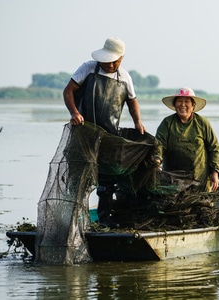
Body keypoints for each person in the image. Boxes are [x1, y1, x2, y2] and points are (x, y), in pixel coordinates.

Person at [62, 37, 146, 227]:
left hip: (109, 137)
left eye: (114, 61)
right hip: (83, 133)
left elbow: (133, 102)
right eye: (107, 61)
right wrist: (74, 113)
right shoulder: (88, 68)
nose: (110, 65)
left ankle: (104, 219)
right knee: (77, 179)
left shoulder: (124, 78)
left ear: (122, 58)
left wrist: (138, 123)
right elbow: (68, 91)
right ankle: (73, 220)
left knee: (107, 181)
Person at [155, 87, 219, 192]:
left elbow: (214, 148)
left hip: (199, 178)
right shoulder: (167, 123)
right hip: (173, 178)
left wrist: (214, 172)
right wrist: (157, 162)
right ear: (174, 105)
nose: (183, 105)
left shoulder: (202, 123)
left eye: (186, 101)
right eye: (179, 101)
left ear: (193, 106)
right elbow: (158, 145)